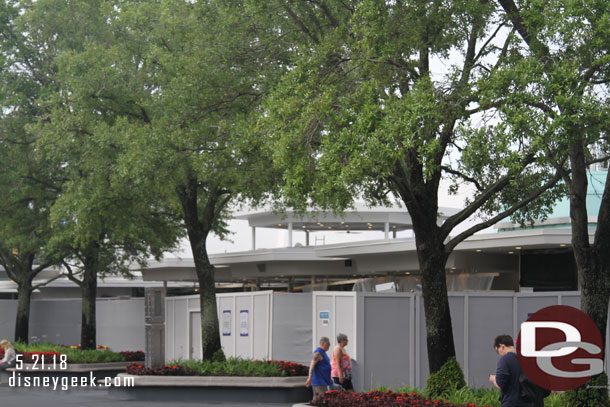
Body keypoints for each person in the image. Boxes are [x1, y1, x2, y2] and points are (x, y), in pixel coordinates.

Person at [489, 334, 533, 407]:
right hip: (529, 402)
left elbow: (500, 384)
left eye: (497, 350)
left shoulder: (505, 360)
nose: (499, 354)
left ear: (502, 346)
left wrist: (493, 379)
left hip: (511, 402)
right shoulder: (528, 359)